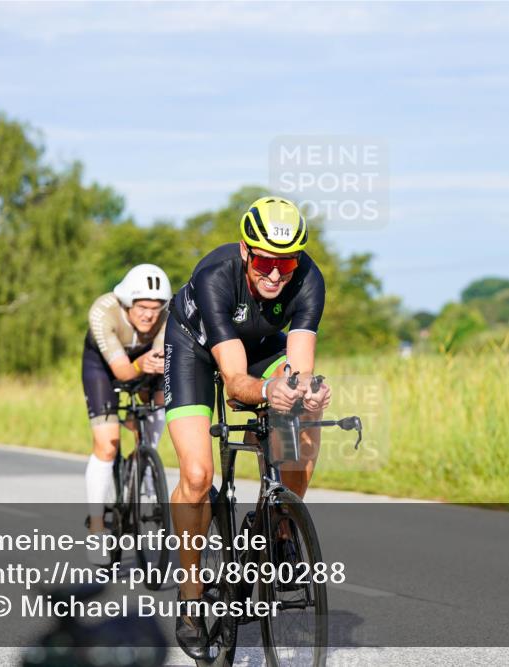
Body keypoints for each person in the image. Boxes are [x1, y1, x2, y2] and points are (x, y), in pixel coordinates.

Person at [163, 196, 332, 657]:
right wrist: (266, 392)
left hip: (260, 344)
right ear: (244, 251)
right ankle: (192, 594)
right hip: (196, 348)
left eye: (287, 262)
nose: (276, 274)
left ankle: (279, 527)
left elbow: (297, 368)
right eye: (263, 261)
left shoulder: (309, 279)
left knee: (306, 409)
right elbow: (237, 383)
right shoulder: (215, 277)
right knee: (197, 476)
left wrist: (304, 390)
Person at [81, 263, 171, 564]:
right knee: (108, 444)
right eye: (143, 307)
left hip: (145, 362)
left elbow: (161, 362)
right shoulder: (103, 311)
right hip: (104, 367)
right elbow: (121, 369)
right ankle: (96, 527)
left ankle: (145, 464)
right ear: (128, 303)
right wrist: (141, 365)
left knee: (161, 398)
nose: (149, 315)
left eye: (156, 308)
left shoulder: (166, 319)